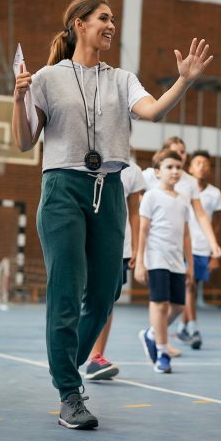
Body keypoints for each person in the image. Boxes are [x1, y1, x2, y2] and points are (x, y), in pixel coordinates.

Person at [12, 0, 213, 430]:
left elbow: (154, 110)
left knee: (104, 296)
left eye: (113, 19)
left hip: (110, 189)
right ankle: (69, 390)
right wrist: (18, 99)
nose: (111, 25)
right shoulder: (46, 78)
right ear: (78, 25)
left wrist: (184, 82)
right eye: (103, 18)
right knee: (66, 292)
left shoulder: (123, 79)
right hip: (63, 187)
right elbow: (25, 142)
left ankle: (68, 366)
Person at [83, 158, 144, 381]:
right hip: (87, 239)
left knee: (106, 300)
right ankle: (78, 352)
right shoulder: (85, 159)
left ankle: (96, 357)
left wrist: (137, 247)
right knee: (85, 296)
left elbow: (135, 212)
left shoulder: (133, 170)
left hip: (118, 244)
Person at [134, 150, 194, 374]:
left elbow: (187, 234)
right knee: (160, 304)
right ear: (157, 172)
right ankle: (162, 352)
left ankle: (151, 333)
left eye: (178, 167)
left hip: (177, 260)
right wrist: (140, 261)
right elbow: (143, 230)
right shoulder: (151, 196)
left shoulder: (183, 200)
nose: (175, 171)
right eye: (169, 167)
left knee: (178, 306)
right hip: (156, 257)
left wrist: (190, 264)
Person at [178, 150, 221, 350]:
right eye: (197, 163)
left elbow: (217, 225)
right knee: (189, 286)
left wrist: (214, 253)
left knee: (192, 289)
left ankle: (181, 327)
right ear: (190, 167)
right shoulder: (183, 189)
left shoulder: (215, 194)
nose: (202, 166)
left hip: (204, 249)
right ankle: (193, 328)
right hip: (185, 246)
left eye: (206, 163)